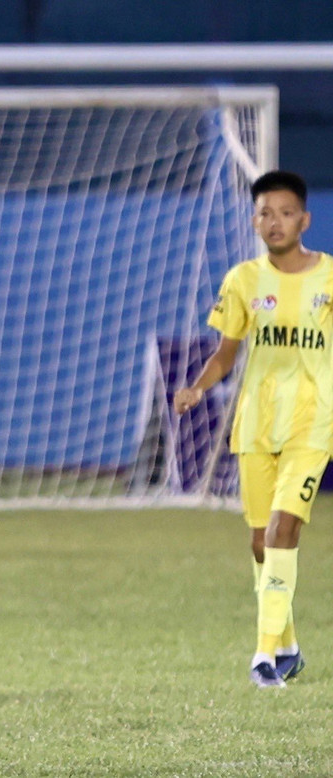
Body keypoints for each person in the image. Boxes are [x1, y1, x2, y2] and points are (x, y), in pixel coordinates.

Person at [174, 170, 333, 688]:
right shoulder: (242, 280)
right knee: (262, 543)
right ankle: (288, 645)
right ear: (254, 221)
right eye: (266, 213)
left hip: (313, 424)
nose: (275, 221)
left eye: (286, 213)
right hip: (257, 425)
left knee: (284, 529)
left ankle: (263, 657)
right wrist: (197, 387)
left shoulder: (329, 278)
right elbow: (226, 353)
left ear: (304, 220)